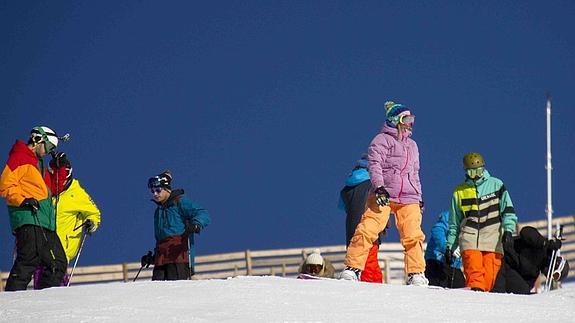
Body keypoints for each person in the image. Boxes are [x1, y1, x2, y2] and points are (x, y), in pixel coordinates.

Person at [340, 101, 428, 286]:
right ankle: (352, 268)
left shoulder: (412, 145)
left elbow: (415, 172)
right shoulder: (381, 140)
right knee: (368, 228)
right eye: (406, 119)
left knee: (413, 234)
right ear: (396, 120)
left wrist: (419, 197)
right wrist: (379, 187)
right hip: (384, 194)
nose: (410, 123)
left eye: (412, 119)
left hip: (409, 196)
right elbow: (374, 165)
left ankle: (416, 273)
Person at [0, 126, 68, 290]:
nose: (48, 151)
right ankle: (12, 300)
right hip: (29, 217)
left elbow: (54, 190)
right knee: (29, 259)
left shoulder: (39, 166)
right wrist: (23, 200)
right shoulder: (20, 157)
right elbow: (5, 185)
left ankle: (43, 299)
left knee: (57, 263)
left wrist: (60, 168)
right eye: (49, 147)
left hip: (45, 222)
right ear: (38, 140)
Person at [446, 152, 518, 292]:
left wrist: (509, 230)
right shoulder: (459, 192)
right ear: (466, 171)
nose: (476, 175)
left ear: (484, 168)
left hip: (492, 239)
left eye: (478, 171)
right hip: (469, 238)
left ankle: (479, 305)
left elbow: (508, 210)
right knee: (475, 277)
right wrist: (450, 246)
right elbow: (454, 223)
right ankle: (475, 294)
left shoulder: (496, 185)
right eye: (472, 172)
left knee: (489, 279)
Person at [33, 153, 101, 288]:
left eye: (64, 172)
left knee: (55, 277)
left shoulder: (76, 192)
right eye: (53, 172)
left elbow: (94, 213)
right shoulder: (47, 190)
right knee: (40, 279)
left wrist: (91, 223)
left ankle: (56, 301)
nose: (59, 177)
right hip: (43, 244)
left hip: (63, 246)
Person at [140, 170, 211, 280]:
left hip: (179, 255)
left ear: (167, 189)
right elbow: (161, 239)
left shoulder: (179, 202)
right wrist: (152, 258)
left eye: (158, 190)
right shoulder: (158, 212)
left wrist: (195, 225)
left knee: (175, 290)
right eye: (152, 191)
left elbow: (203, 213)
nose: (155, 194)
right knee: (156, 292)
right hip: (161, 259)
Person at [338, 154, 385, 283]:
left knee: (358, 263)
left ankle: (366, 286)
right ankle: (372, 290)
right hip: (369, 229)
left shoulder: (348, 187)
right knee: (370, 264)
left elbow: (344, 207)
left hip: (351, 232)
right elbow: (381, 206)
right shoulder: (374, 184)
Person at [500, 226, 567, 294]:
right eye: (555, 274)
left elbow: (523, 290)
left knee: (524, 290)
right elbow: (525, 232)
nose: (550, 276)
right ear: (557, 263)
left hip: (502, 270)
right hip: (501, 253)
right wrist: (545, 243)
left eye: (553, 277)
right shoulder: (540, 246)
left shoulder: (533, 274)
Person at [424, 211, 465, 288]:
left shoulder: (470, 221)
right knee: (435, 288)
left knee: (460, 288)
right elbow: (437, 231)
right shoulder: (450, 216)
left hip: (454, 264)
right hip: (436, 261)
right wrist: (448, 249)